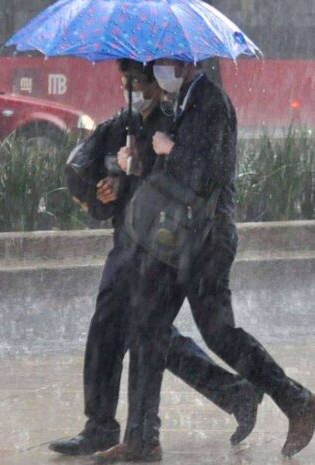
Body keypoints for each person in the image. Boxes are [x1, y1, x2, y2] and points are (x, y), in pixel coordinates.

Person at [93, 59, 315, 463]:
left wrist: (168, 148)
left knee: (218, 333)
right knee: (147, 327)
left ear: (185, 63)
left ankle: (295, 400)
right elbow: (175, 176)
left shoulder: (211, 103)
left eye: (163, 64)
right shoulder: (186, 102)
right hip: (181, 238)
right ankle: (142, 439)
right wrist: (138, 159)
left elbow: (206, 172)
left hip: (207, 240)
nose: (158, 72)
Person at [51, 60, 262, 460]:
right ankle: (101, 425)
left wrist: (139, 167)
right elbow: (91, 180)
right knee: (109, 328)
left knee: (149, 335)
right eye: (125, 82)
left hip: (159, 246)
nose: (132, 89)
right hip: (125, 245)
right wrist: (106, 189)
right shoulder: (120, 125)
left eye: (138, 81)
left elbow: (186, 179)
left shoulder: (177, 120)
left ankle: (227, 395)